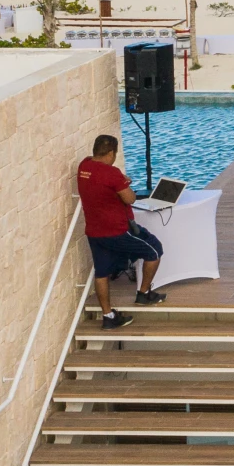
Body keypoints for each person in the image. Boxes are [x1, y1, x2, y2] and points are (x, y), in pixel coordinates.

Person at [76, 133, 165, 329]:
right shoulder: (112, 173)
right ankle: (143, 294)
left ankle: (108, 316)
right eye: (114, 154)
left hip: (94, 231)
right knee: (154, 251)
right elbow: (130, 199)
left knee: (102, 272)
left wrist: (119, 180)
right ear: (110, 153)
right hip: (117, 230)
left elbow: (101, 181)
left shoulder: (84, 166)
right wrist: (123, 183)